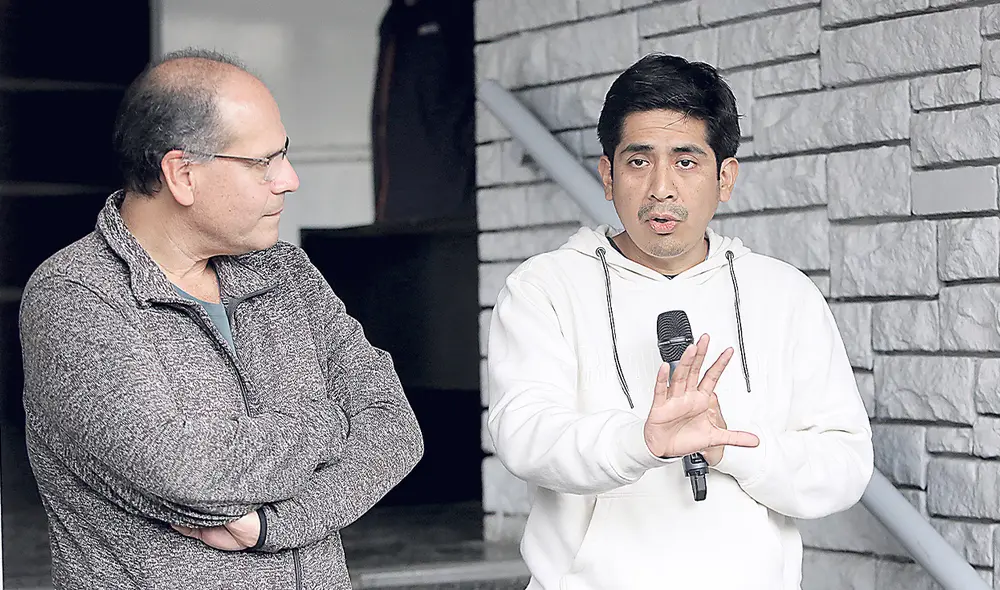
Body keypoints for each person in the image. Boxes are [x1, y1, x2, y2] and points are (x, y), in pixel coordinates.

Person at [18, 48, 424, 589]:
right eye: (264, 162)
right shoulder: (76, 297)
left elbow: (395, 429)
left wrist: (274, 524)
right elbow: (190, 473)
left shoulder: (285, 272)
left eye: (286, 154)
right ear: (182, 174)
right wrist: (328, 422)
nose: (290, 179)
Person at [486, 53, 874, 590]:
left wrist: (728, 446)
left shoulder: (784, 294)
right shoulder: (545, 287)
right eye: (639, 161)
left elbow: (844, 463)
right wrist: (638, 442)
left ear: (725, 177)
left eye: (686, 161)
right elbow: (523, 434)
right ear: (608, 174)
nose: (661, 188)